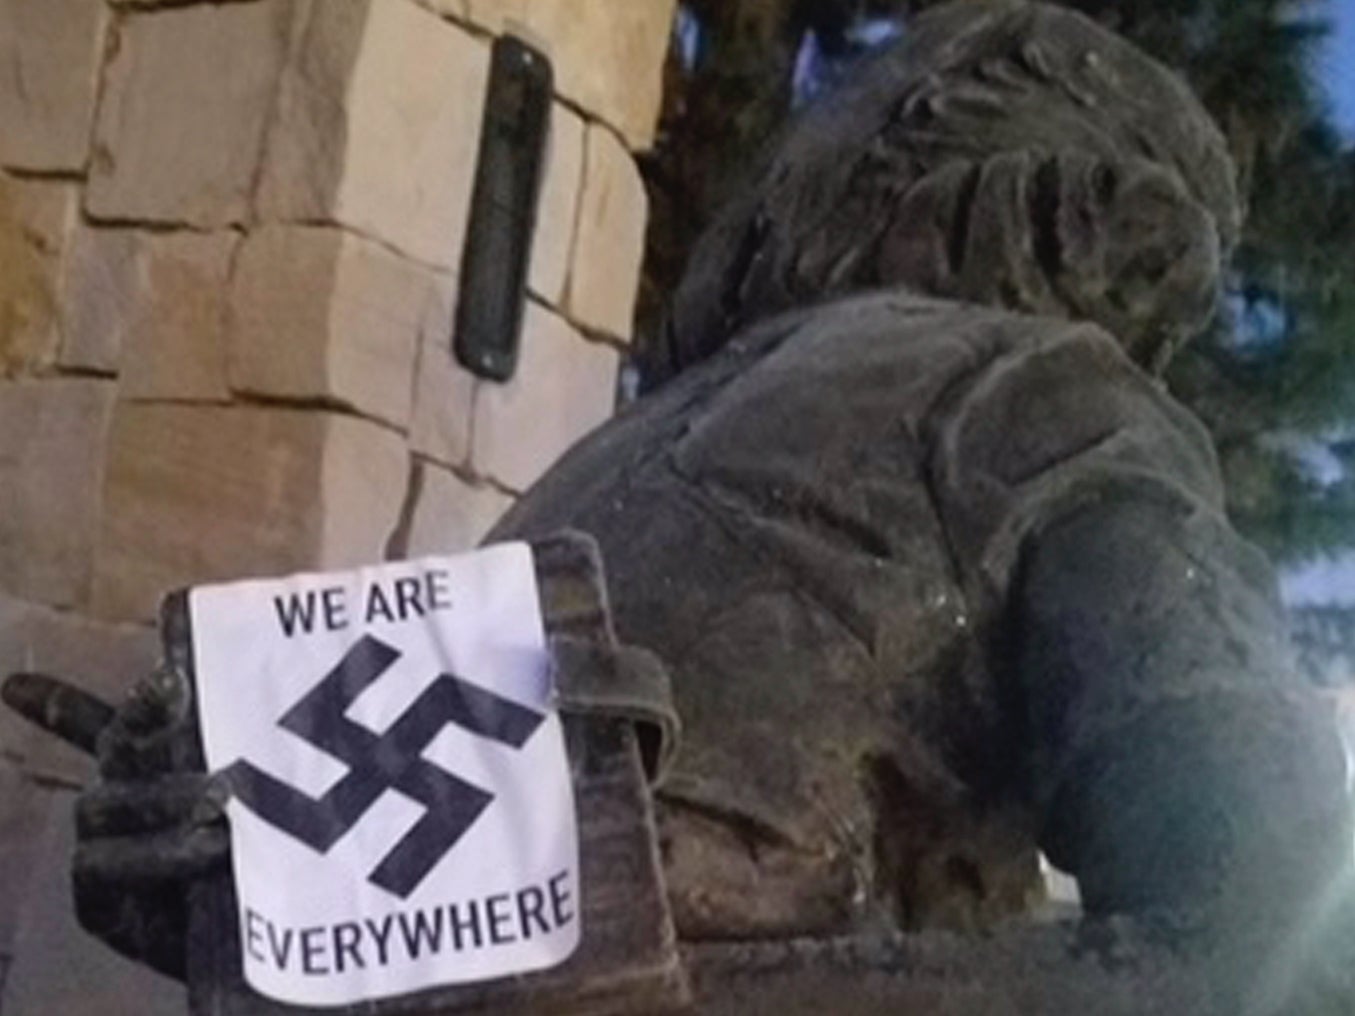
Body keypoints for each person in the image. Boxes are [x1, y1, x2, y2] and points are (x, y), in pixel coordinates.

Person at [7, 1, 1351, 1011]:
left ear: (936, 129)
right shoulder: (664, 434)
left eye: (861, 91)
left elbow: (1280, 941)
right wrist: (240, 881)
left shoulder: (1045, 395)